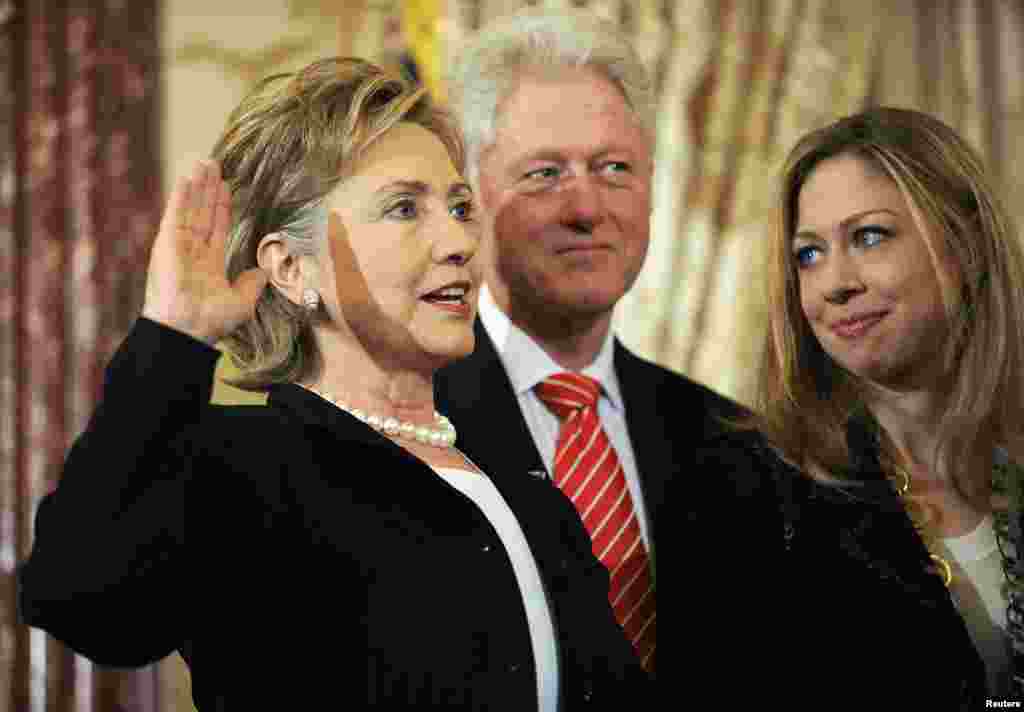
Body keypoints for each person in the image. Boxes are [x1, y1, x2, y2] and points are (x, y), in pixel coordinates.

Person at [17, 58, 650, 710]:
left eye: (460, 207)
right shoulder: (241, 464)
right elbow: (79, 596)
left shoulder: (527, 488)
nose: (458, 239)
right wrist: (172, 338)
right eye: (405, 208)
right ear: (292, 268)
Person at [671, 106, 1024, 707]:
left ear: (963, 246)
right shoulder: (741, 487)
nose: (835, 282)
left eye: (868, 237)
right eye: (808, 255)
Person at [434, 7, 744, 675]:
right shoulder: (406, 424)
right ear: (470, 197)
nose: (586, 208)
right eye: (546, 173)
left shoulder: (733, 439)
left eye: (614, 169)